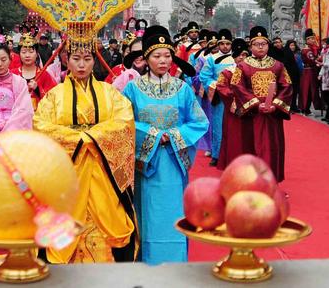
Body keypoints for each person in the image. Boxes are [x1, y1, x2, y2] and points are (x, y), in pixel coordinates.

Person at [33, 30, 137, 263]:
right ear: (66, 59)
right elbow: (41, 126)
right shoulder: (54, 96)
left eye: (87, 59)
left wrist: (89, 137)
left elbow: (124, 122)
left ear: (95, 60)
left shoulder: (110, 93)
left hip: (102, 173)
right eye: (76, 59)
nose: (81, 65)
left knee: (111, 222)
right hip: (68, 174)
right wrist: (83, 139)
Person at [121, 26, 207, 264]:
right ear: (146, 59)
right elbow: (125, 121)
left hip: (174, 161)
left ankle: (176, 263)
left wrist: (175, 135)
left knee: (174, 212)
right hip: (146, 164)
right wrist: (153, 134)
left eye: (167, 55)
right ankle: (146, 263)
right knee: (148, 215)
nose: (163, 61)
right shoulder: (132, 89)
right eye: (157, 56)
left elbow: (199, 122)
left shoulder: (182, 89)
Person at [215, 26, 292, 180]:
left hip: (271, 115)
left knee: (271, 147)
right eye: (257, 44)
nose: (261, 47)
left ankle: (270, 181)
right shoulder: (243, 66)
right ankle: (250, 182)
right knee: (250, 146)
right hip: (251, 115)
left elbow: (287, 86)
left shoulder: (278, 65)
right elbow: (237, 86)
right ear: (250, 46)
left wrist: (275, 105)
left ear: (268, 45)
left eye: (264, 43)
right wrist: (256, 104)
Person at [198, 30, 237, 165]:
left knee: (235, 126)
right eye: (222, 43)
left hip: (235, 97)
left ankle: (233, 154)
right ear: (218, 44)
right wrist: (218, 86)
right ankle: (216, 154)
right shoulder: (212, 59)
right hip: (219, 97)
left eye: (228, 43)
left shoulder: (236, 59)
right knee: (217, 126)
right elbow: (204, 77)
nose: (225, 46)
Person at [13, 34, 56, 105]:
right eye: (23, 52)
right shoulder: (13, 74)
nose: (27, 55)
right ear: (19, 54)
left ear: (36, 54)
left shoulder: (44, 74)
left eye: (31, 52)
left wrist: (37, 89)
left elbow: (52, 98)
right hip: (17, 114)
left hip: (38, 114)